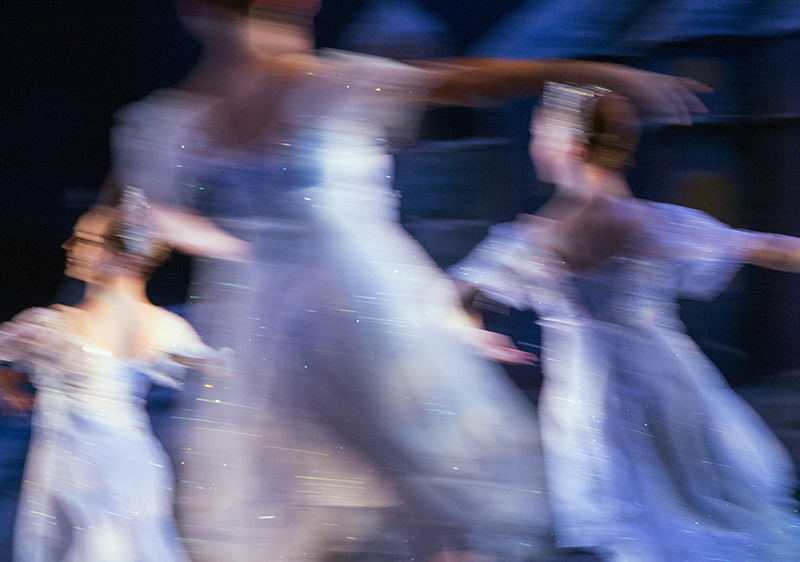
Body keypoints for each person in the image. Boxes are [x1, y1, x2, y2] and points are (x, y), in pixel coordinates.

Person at [111, 4, 713, 559]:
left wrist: (242, 246)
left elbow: (145, 211)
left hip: (262, 318)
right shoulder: (321, 83)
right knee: (437, 475)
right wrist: (601, 72)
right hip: (359, 301)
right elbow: (471, 79)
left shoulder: (176, 118)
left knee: (305, 484)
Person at [450, 83, 800, 560]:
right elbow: (769, 247)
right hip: (666, 383)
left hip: (590, 397)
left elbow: (457, 298)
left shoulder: (534, 240)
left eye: (540, 134)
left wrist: (480, 336)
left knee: (640, 521)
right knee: (705, 509)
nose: (535, 146)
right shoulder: (655, 224)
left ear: (567, 145)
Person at [0, 190, 228, 561]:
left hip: (77, 468)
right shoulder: (169, 328)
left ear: (118, 257)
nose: (70, 245)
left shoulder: (56, 327)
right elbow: (222, 373)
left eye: (85, 240)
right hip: (135, 461)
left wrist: (7, 384)